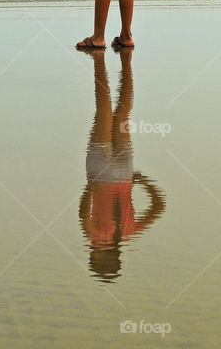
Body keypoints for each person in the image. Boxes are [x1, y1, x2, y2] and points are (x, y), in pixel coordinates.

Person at [79, 46, 165, 282]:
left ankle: (127, 65)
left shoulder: (128, 233)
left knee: (123, 111)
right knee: (103, 107)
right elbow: (83, 213)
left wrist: (141, 180)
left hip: (125, 170)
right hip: (100, 173)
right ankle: (101, 61)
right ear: (98, 256)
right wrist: (89, 186)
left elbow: (159, 205)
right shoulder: (94, 236)